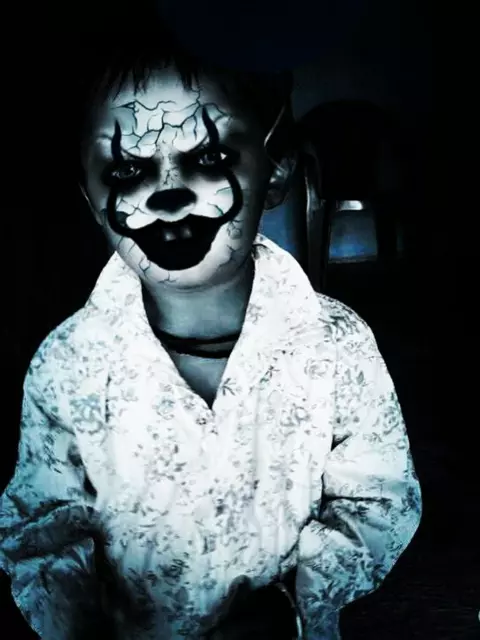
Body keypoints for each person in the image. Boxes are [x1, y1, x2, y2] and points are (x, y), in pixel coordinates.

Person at [0, 22, 422, 640]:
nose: (167, 198)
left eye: (209, 158)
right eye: (126, 171)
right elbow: (41, 528)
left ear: (276, 172)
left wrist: (291, 605)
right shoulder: (67, 365)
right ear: (89, 197)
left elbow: (381, 501)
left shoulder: (338, 346)